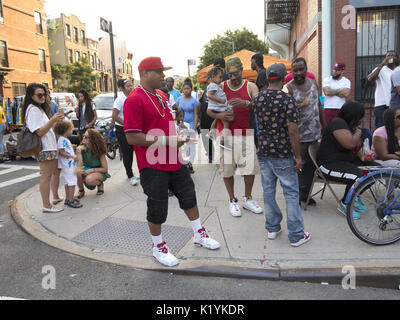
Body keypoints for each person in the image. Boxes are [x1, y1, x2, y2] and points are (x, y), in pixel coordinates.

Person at [124, 56, 220, 267]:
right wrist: (168, 140)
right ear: (144, 74)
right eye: (158, 71)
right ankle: (158, 246)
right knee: (157, 205)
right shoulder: (134, 99)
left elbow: (165, 122)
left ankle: (198, 233)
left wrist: (179, 133)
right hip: (152, 163)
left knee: (188, 194)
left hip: (173, 158)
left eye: (163, 71)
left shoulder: (160, 95)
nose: (163, 75)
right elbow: (132, 137)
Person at [254, 63, 311, 247]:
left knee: (268, 191)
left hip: (264, 152)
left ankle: (272, 227)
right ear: (281, 79)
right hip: (283, 154)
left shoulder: (258, 99)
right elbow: (293, 132)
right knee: (291, 194)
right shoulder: (287, 101)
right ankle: (296, 235)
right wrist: (298, 156)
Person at [207, 57, 263, 217]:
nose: (232, 77)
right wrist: (222, 114)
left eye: (236, 73)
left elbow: (260, 104)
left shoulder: (250, 86)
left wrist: (245, 103)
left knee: (249, 169)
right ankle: (232, 200)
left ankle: (248, 198)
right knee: (227, 170)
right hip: (225, 135)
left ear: (241, 70)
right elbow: (209, 110)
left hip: (245, 133)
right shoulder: (220, 86)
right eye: (229, 74)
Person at [316, 101, 374, 219]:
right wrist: (358, 131)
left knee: (374, 171)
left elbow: (356, 147)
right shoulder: (338, 123)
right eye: (360, 116)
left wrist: (362, 157)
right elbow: (350, 144)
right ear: (353, 115)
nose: (361, 119)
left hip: (345, 161)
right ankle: (345, 204)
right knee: (357, 177)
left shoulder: (349, 125)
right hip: (328, 165)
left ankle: (355, 197)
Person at [286, 57, 326, 206]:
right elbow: (284, 113)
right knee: (297, 168)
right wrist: (301, 105)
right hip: (299, 137)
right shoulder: (288, 88)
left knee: (311, 168)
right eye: (295, 70)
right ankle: (294, 197)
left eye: (300, 69)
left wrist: (324, 126)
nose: (298, 73)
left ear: (306, 69)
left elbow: (319, 107)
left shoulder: (314, 84)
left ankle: (305, 194)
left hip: (315, 134)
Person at [22, 83, 65, 213]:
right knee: (46, 176)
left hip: (49, 147)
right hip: (44, 148)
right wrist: (52, 120)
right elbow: (39, 132)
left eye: (44, 94)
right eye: (39, 95)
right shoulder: (33, 109)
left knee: (49, 175)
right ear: (31, 95)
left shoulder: (39, 108)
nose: (43, 97)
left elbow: (46, 129)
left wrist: (55, 121)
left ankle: (51, 201)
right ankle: (46, 205)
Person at [112, 78, 140, 186]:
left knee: (135, 150)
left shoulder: (133, 98)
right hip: (122, 129)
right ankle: (130, 176)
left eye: (131, 85)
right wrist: (127, 125)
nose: (131, 87)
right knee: (127, 152)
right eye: (128, 86)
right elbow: (114, 116)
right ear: (123, 89)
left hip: (132, 129)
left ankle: (133, 173)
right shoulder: (120, 99)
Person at [54, 120, 82, 209]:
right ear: (66, 130)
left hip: (68, 164)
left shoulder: (64, 139)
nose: (71, 131)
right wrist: (72, 156)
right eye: (70, 129)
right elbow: (61, 152)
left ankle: (68, 198)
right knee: (72, 181)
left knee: (68, 181)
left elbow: (64, 149)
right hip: (68, 164)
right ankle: (71, 200)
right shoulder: (62, 140)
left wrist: (71, 147)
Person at [76, 129, 111, 199]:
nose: (83, 138)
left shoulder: (99, 150)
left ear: (92, 139)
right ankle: (81, 190)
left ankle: (100, 184)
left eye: (86, 137)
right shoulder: (81, 148)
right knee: (77, 172)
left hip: (98, 171)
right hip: (86, 169)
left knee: (89, 180)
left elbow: (105, 169)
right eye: (83, 136)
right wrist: (79, 152)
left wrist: (92, 170)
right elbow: (79, 166)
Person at [368, 51, 399, 128]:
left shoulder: (398, 71)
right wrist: (382, 64)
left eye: (392, 56)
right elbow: (370, 79)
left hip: (395, 104)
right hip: (382, 104)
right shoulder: (381, 69)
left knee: (394, 128)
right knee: (381, 127)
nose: (390, 57)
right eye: (388, 56)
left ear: (396, 58)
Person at [175, 79, 200, 174]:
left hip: (190, 126)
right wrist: (177, 124)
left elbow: (196, 114)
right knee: (183, 146)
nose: (186, 90)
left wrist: (194, 128)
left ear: (191, 89)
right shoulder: (179, 99)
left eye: (188, 88)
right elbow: (176, 113)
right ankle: (184, 164)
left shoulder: (194, 101)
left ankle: (190, 164)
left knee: (191, 146)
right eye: (184, 88)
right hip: (181, 126)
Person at [207, 66, 232, 150]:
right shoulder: (213, 85)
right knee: (226, 123)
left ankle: (211, 133)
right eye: (220, 77)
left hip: (216, 108)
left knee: (217, 119)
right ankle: (224, 142)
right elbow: (209, 95)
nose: (221, 79)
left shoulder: (214, 85)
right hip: (218, 107)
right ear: (213, 77)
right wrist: (220, 100)